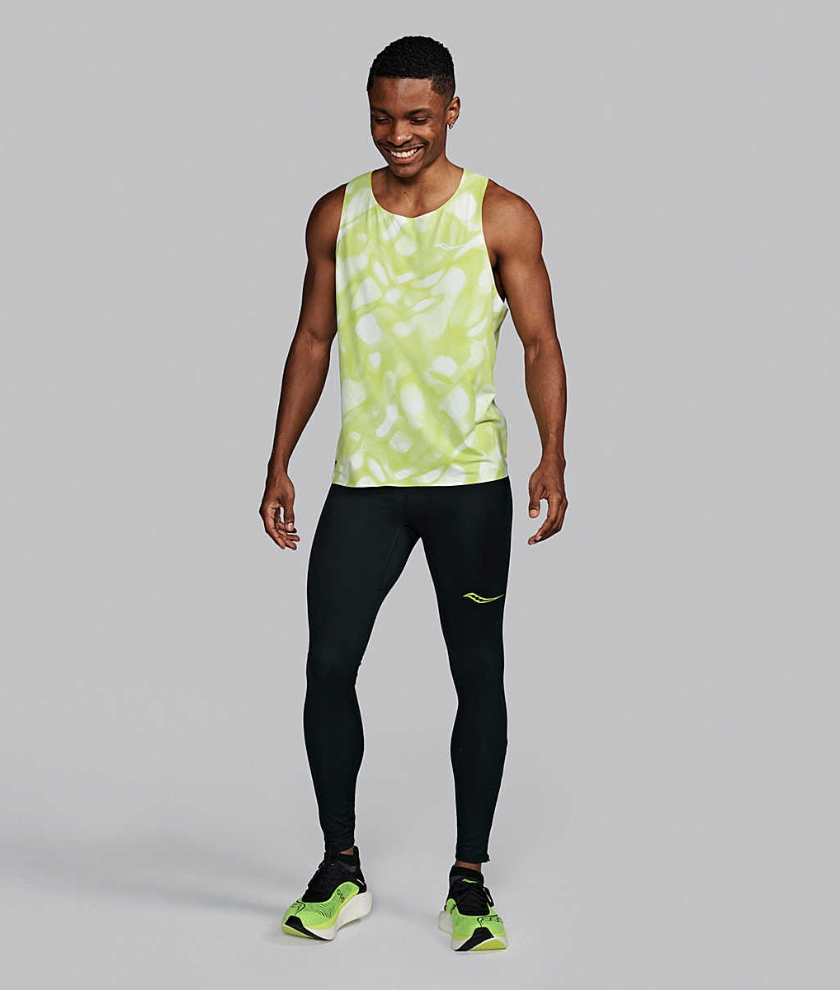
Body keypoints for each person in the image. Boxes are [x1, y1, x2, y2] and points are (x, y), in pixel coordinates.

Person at [259, 35, 568, 951]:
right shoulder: (336, 214)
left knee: (477, 675)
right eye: (383, 117)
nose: (400, 134)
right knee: (327, 668)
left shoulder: (500, 215)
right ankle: (339, 868)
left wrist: (553, 455)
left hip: (468, 484)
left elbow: (541, 343)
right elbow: (313, 339)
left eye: (419, 118)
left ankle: (468, 881)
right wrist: (279, 460)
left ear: (452, 112)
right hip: (366, 484)